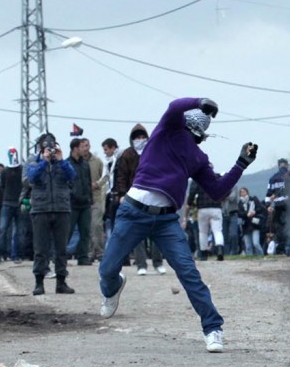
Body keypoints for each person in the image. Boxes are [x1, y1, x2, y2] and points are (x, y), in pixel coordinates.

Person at [97, 97, 258, 353]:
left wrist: (241, 165)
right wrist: (200, 100)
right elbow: (174, 107)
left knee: (188, 272)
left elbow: (216, 190)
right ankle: (113, 286)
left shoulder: (197, 157)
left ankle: (212, 327)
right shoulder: (167, 130)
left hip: (165, 220)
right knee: (107, 269)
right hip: (133, 212)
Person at [26, 132, 75, 295]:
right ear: (40, 147)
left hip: (61, 208)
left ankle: (61, 282)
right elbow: (30, 178)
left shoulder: (62, 162)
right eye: (46, 146)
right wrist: (43, 161)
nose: (50, 149)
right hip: (41, 209)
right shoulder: (33, 161)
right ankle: (39, 282)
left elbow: (72, 176)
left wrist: (60, 160)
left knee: (61, 249)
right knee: (40, 248)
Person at [114, 124, 165, 275]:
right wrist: (122, 194)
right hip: (133, 197)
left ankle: (158, 262)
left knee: (155, 231)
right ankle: (141, 264)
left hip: (152, 196)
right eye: (137, 137)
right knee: (137, 233)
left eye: (143, 137)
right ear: (132, 139)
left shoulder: (154, 152)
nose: (140, 140)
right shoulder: (127, 155)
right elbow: (121, 176)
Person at [66, 138, 94, 266]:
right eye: (82, 147)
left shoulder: (85, 164)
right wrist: (72, 195)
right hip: (72, 203)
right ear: (75, 148)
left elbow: (88, 182)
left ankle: (83, 257)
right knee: (68, 231)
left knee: (85, 231)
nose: (85, 149)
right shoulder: (66, 164)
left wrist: (90, 197)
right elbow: (66, 183)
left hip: (85, 203)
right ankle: (61, 255)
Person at [187, 178, 226, 261]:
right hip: (216, 207)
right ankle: (220, 250)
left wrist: (189, 203)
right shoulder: (217, 177)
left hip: (202, 208)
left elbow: (192, 192)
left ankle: (204, 254)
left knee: (203, 232)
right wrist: (222, 198)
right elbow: (227, 189)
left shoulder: (198, 179)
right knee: (217, 230)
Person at [0, 148, 24, 262]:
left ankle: (15, 254)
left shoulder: (21, 169)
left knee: (17, 231)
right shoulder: (5, 171)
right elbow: (3, 185)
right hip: (8, 202)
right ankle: (2, 253)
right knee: (3, 229)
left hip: (16, 202)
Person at [86, 137, 108, 261]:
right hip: (84, 199)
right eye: (83, 146)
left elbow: (106, 176)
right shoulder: (78, 162)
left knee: (97, 225)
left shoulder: (98, 161)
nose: (85, 148)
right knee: (87, 227)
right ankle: (89, 252)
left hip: (97, 198)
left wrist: (97, 184)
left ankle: (100, 252)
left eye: (87, 145)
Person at [265, 157, 289, 255]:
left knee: (280, 228)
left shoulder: (273, 178)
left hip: (278, 205)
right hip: (289, 204)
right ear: (287, 165)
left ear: (278, 165)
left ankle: (281, 249)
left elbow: (268, 194)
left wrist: (268, 206)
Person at [237, 187, 267, 257]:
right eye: (241, 192)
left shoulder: (253, 200)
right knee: (248, 246)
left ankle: (261, 256)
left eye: (244, 191)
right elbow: (239, 214)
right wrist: (246, 214)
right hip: (246, 226)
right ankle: (250, 260)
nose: (243, 193)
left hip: (255, 224)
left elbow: (262, 208)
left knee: (256, 243)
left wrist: (254, 212)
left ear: (247, 192)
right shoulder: (240, 203)